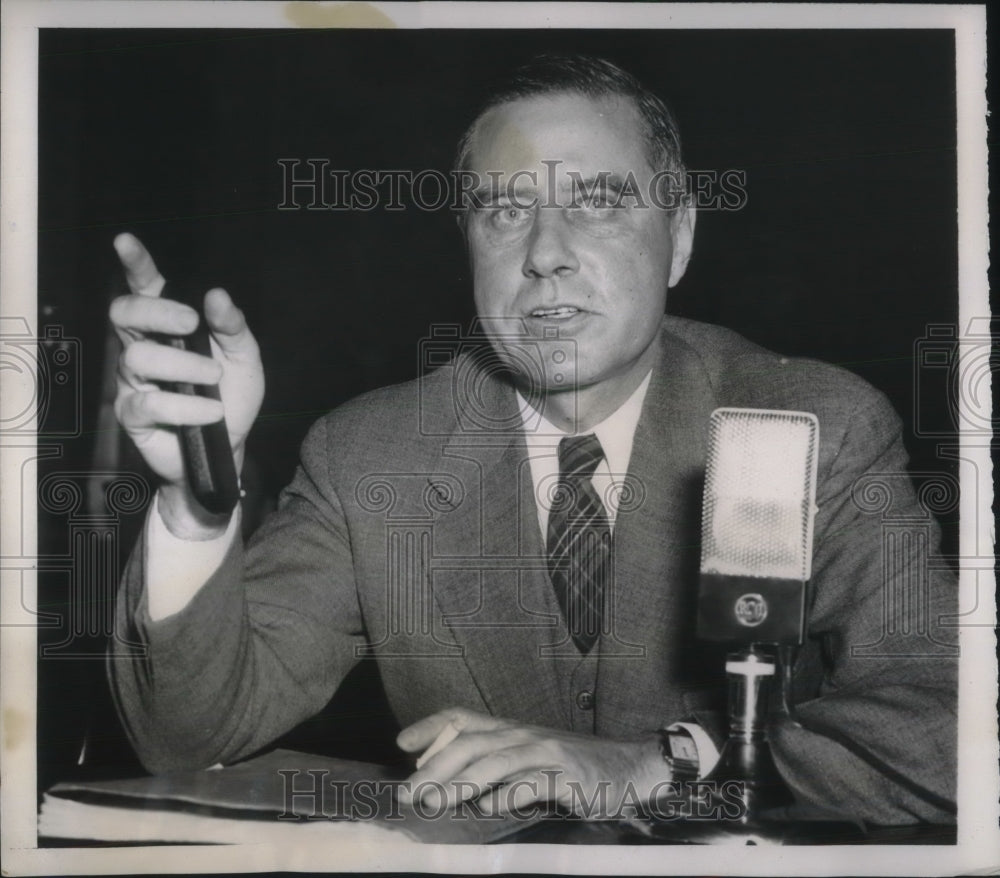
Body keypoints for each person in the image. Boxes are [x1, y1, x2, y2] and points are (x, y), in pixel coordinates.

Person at [108, 54, 956, 825]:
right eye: (505, 214)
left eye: (598, 203)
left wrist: (661, 766)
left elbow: (950, 727)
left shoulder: (816, 427)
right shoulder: (370, 455)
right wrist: (195, 504)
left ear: (681, 238)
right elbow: (184, 737)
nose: (546, 254)